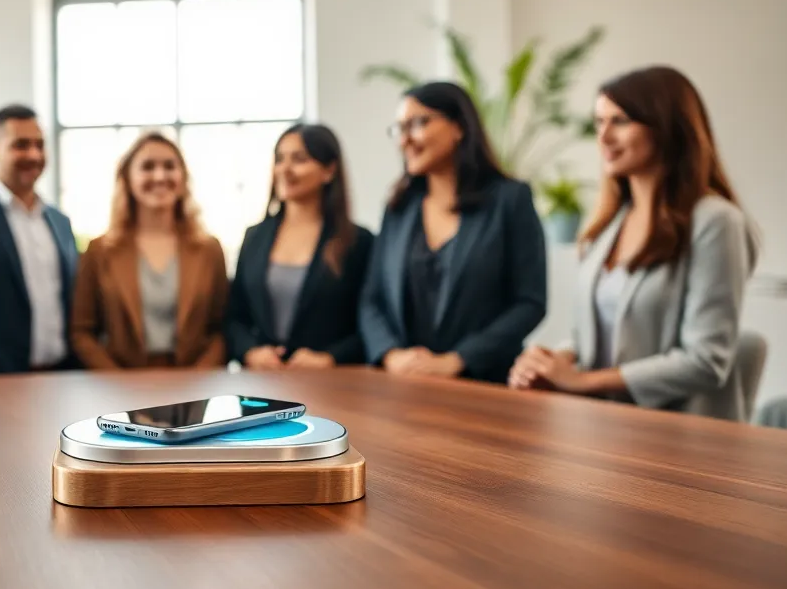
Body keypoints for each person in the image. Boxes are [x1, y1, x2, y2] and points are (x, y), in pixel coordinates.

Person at [509, 65, 758, 421]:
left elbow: (706, 360)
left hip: (682, 438)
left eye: (620, 121)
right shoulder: (609, 225)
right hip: (606, 428)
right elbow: (593, 338)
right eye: (599, 122)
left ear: (666, 126)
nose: (604, 136)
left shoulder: (715, 221)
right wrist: (553, 362)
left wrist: (582, 382)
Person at [358, 82, 547, 384]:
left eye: (419, 123)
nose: (405, 139)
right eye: (399, 128)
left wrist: (458, 360)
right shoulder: (399, 206)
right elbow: (371, 298)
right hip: (405, 384)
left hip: (484, 383)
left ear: (459, 127)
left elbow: (529, 302)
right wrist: (391, 354)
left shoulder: (510, 200)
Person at [70, 131, 228, 369]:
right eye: (147, 167)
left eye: (169, 166)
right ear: (127, 178)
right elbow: (82, 332)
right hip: (121, 387)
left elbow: (221, 329)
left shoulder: (209, 249)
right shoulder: (100, 251)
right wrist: (118, 382)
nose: (160, 176)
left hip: (194, 387)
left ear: (183, 178)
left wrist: (199, 378)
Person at [225, 124, 374, 369]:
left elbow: (369, 322)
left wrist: (330, 357)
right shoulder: (255, 237)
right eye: (279, 159)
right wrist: (251, 352)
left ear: (329, 170)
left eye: (299, 159)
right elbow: (234, 318)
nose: (285, 169)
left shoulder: (357, 241)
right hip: (263, 383)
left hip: (333, 384)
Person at [0, 105, 79, 374]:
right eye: (21, 145)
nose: (33, 155)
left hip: (62, 375)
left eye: (39, 145)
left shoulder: (59, 221)